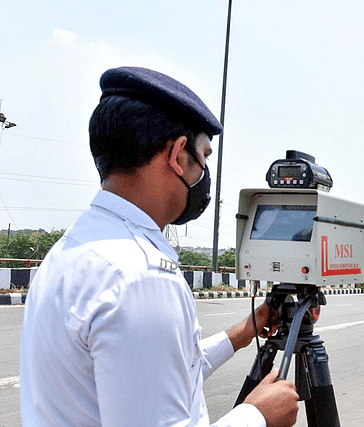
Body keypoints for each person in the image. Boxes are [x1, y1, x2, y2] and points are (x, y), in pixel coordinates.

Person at [20, 66, 299, 427]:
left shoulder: (73, 250)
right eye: (203, 157)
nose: (202, 175)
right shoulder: (141, 277)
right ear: (179, 154)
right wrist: (257, 415)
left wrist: (243, 332)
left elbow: (160, 378)